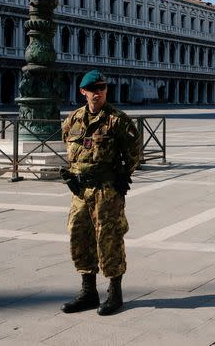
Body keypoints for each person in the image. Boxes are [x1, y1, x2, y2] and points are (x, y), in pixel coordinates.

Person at [60, 70, 140, 316]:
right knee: (78, 236)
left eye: (102, 88)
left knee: (109, 238)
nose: (98, 93)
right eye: (93, 89)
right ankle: (88, 291)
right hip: (80, 192)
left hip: (107, 192)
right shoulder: (73, 119)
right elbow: (68, 146)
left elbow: (134, 153)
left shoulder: (118, 120)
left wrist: (121, 176)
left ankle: (115, 293)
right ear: (83, 92)